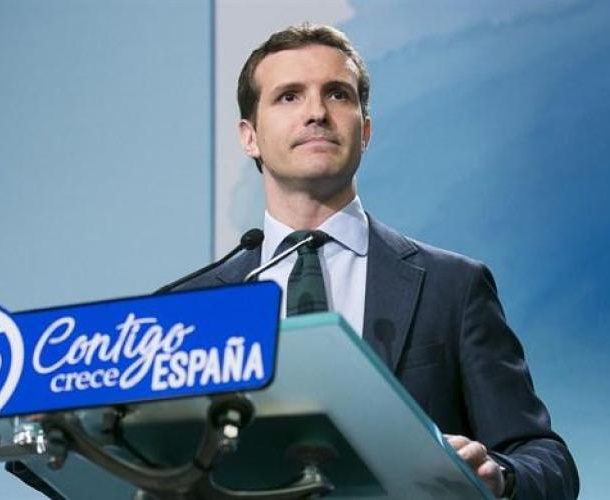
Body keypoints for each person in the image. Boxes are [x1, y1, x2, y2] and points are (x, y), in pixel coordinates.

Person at [175, 24, 579, 499]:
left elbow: (546, 459)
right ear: (250, 137)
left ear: (364, 130)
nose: (316, 112)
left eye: (337, 94)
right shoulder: (193, 307)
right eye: (289, 96)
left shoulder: (453, 287)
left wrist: (501, 475)